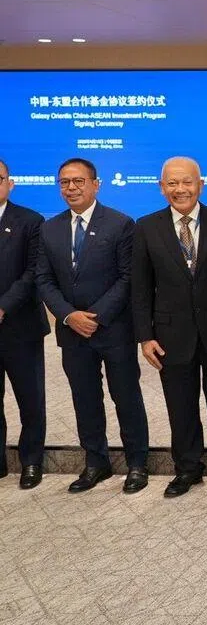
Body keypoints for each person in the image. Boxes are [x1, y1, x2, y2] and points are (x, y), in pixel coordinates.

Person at [132, 157, 207, 498]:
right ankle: (188, 468)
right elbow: (139, 287)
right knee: (180, 405)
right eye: (172, 183)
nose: (180, 189)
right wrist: (145, 336)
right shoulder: (146, 226)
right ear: (161, 187)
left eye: (187, 182)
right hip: (170, 334)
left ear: (201, 184)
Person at [35, 158, 149, 493]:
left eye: (78, 181)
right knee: (84, 399)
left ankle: (137, 464)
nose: (71, 188)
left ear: (95, 184)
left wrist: (95, 316)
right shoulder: (49, 228)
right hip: (72, 332)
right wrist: (69, 316)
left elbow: (128, 278)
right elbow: (43, 278)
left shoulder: (121, 223)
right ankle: (95, 463)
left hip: (113, 329)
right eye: (65, 182)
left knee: (126, 397)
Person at [0, 159, 50, 489]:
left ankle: (31, 461)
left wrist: (3, 306)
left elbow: (33, 272)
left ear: (10, 182)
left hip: (20, 326)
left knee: (29, 399)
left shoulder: (30, 221)